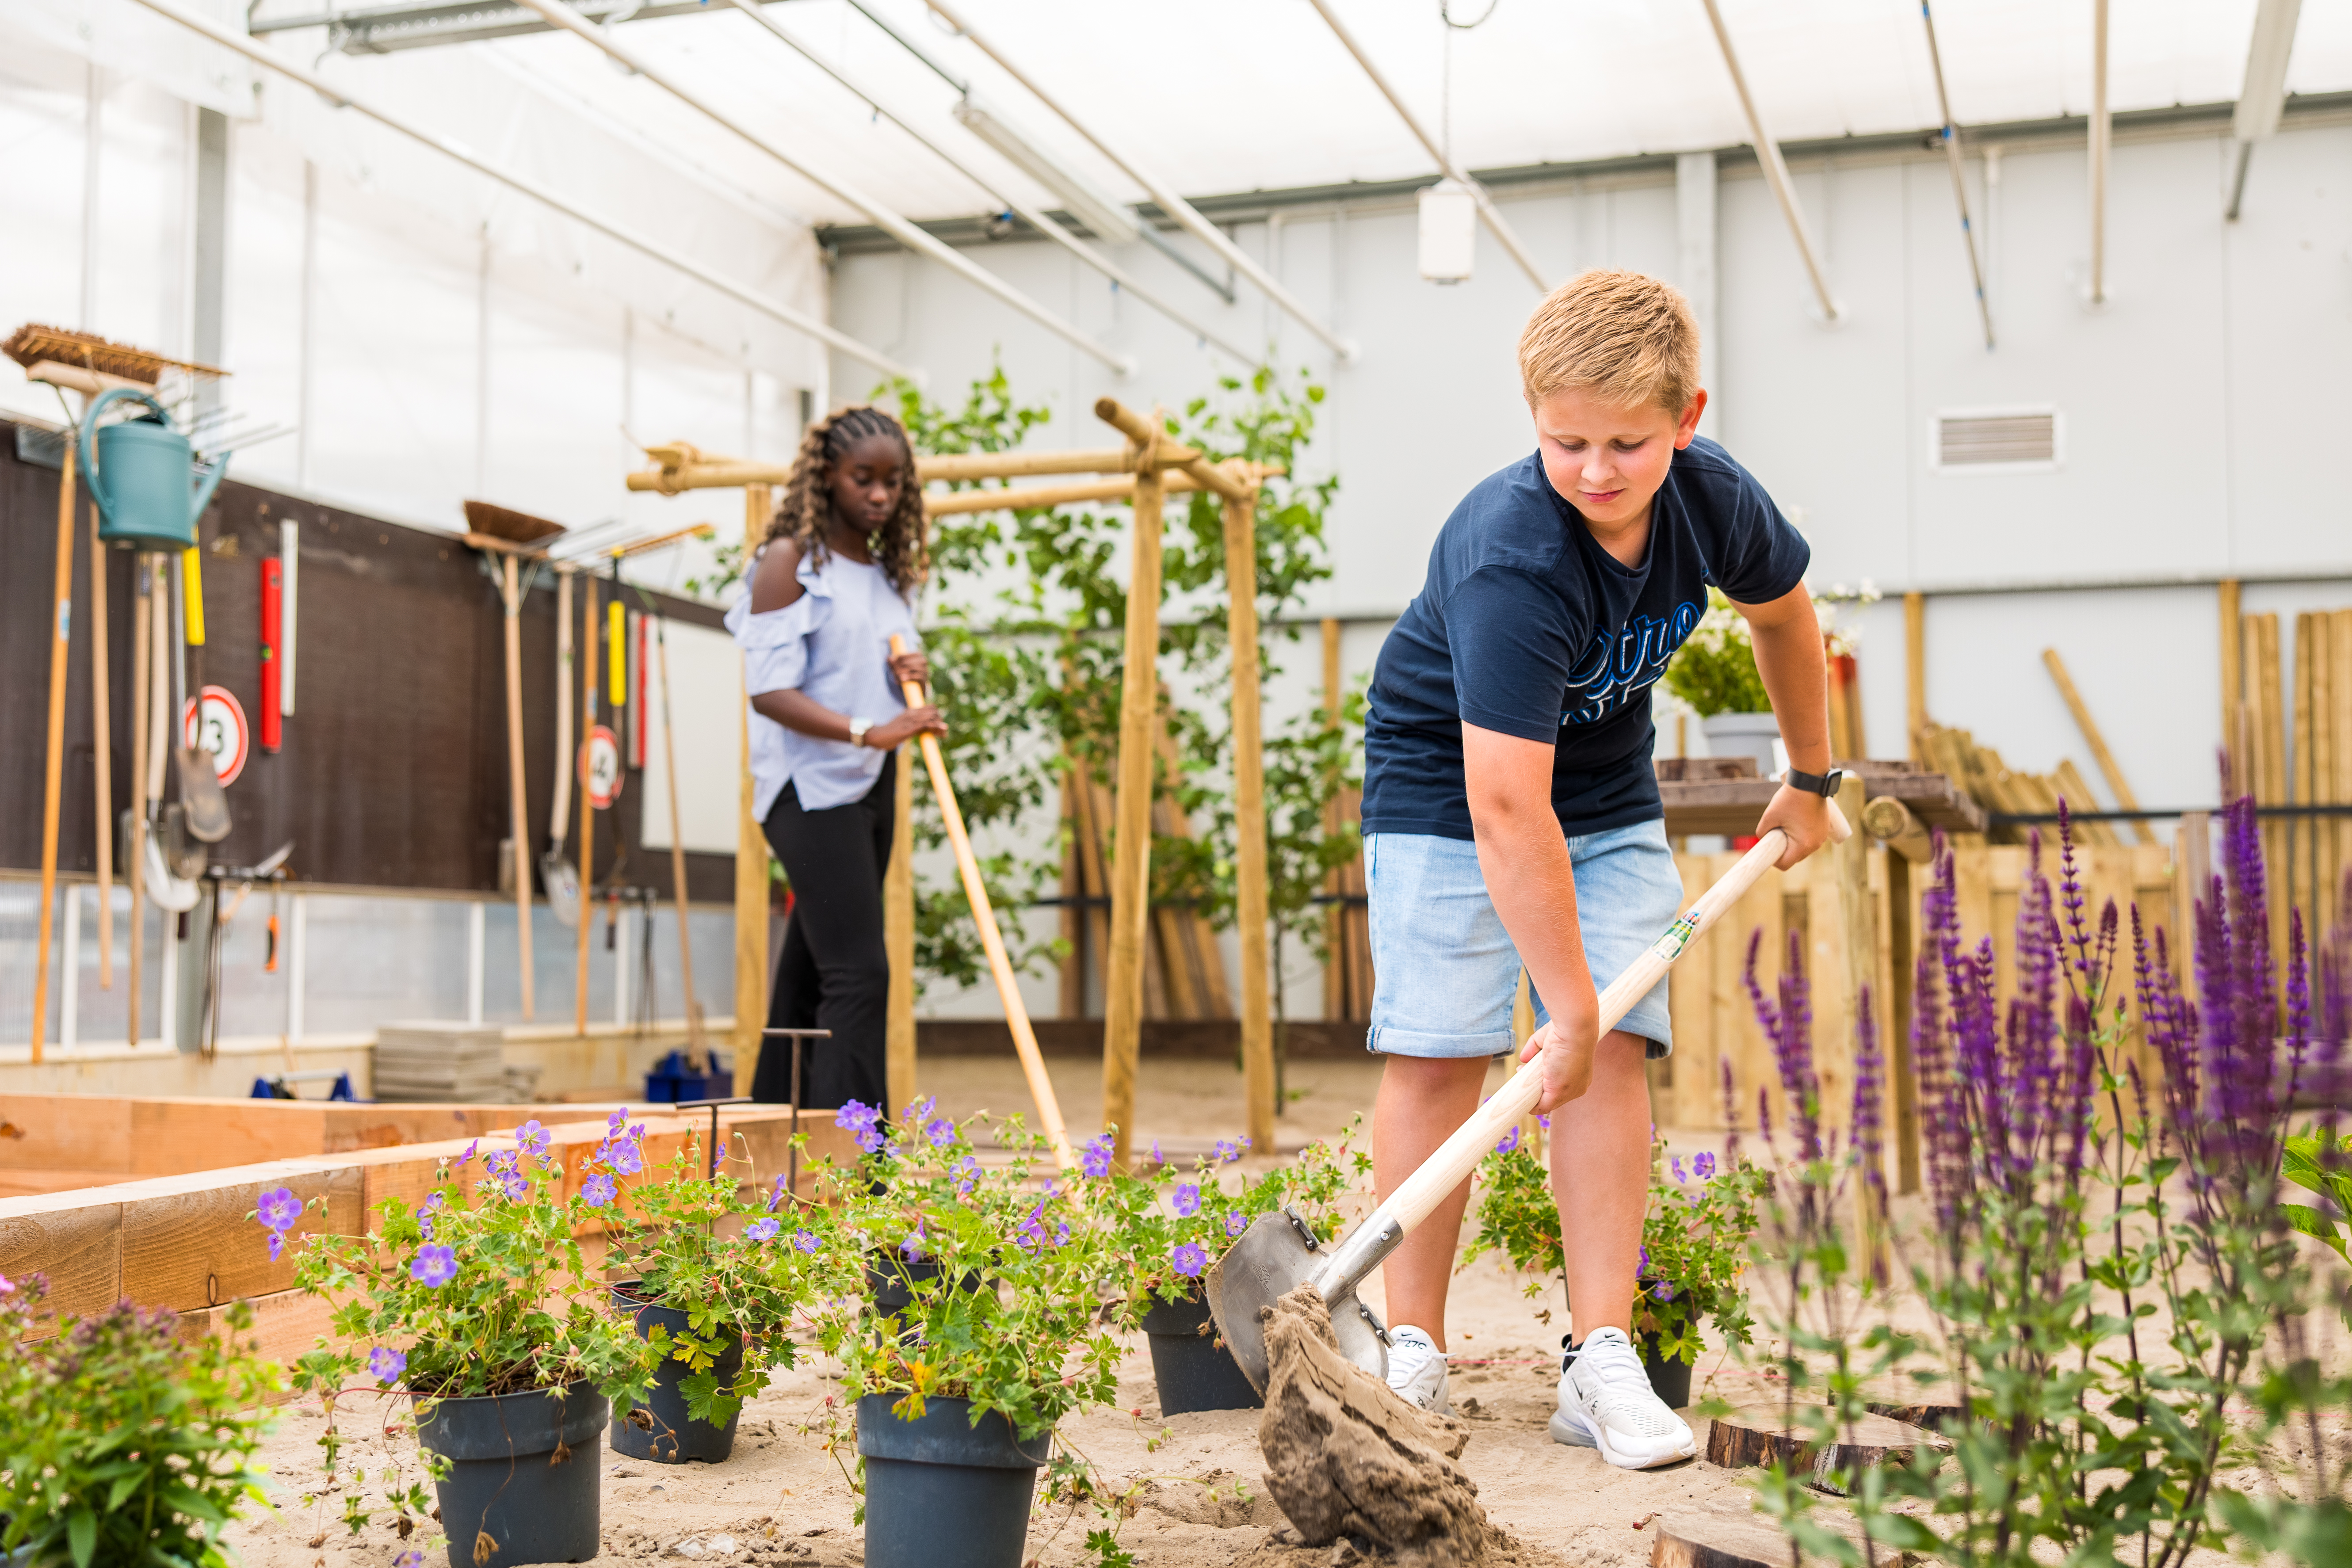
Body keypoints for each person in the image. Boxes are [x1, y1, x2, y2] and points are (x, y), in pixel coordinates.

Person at [1358, 270, 1836, 1469]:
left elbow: (1784, 615)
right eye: (1565, 440)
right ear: (1534, 420)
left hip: (1608, 784)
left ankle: (1601, 1355)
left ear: (1688, 414)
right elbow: (1508, 804)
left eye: (1629, 441)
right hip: (1446, 781)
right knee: (1441, 1046)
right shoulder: (1510, 556)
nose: (1598, 471)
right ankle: (1407, 1344)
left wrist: (1813, 774)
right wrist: (1559, 1002)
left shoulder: (1714, 499)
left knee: (1618, 1048)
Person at [727, 404, 945, 1113]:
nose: (880, 495)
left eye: (892, 482)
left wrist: (905, 676)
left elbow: (863, 674)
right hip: (806, 792)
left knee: (811, 972)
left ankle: (763, 1145)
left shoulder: (887, 574)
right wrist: (868, 731)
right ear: (827, 476)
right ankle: (854, 1175)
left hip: (865, 787)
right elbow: (769, 693)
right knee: (859, 974)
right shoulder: (790, 562)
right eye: (863, 479)